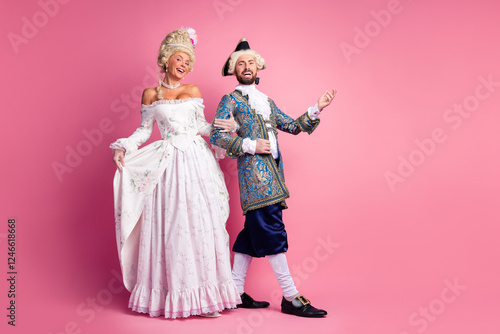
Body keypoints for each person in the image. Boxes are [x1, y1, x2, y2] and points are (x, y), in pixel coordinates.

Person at [110, 28, 241, 319]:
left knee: (200, 224)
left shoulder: (192, 91)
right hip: (168, 166)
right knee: (172, 227)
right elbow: (143, 132)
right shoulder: (150, 95)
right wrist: (122, 147)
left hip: (196, 161)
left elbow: (204, 127)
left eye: (188, 63)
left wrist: (226, 127)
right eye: (180, 60)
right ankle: (173, 295)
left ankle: (206, 297)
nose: (184, 66)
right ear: (167, 59)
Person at [210, 38, 336, 318]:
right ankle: (290, 296)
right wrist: (250, 144)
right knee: (272, 231)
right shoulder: (229, 100)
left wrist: (317, 107)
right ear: (233, 69)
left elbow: (292, 126)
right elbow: (217, 136)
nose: (246, 66)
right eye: (240, 63)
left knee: (250, 236)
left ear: (258, 68)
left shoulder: (266, 101)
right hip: (256, 180)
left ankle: (234, 291)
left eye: (250, 62)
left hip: (274, 176)